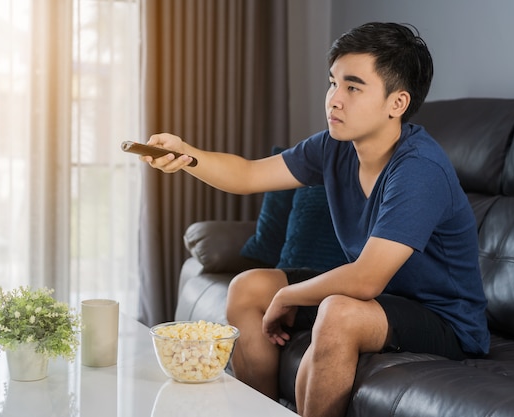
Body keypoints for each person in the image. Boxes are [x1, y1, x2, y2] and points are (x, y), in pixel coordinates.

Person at [142, 22, 490, 417]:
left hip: (442, 318)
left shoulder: (419, 170)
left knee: (338, 312)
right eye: (333, 82)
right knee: (247, 287)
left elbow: (365, 278)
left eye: (353, 87)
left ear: (397, 103)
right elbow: (249, 175)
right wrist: (186, 154)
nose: (334, 100)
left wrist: (288, 295)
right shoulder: (334, 147)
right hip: (378, 299)